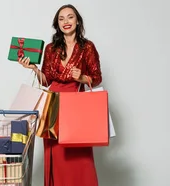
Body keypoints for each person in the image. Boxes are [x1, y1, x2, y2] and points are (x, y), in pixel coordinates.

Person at [18, 4, 103, 186]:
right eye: (61, 18)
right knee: (56, 154)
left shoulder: (87, 47)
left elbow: (96, 78)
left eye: (70, 17)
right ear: (57, 24)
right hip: (53, 107)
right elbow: (46, 80)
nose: (66, 22)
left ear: (78, 21)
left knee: (80, 156)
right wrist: (33, 68)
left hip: (76, 106)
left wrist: (81, 77)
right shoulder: (50, 48)